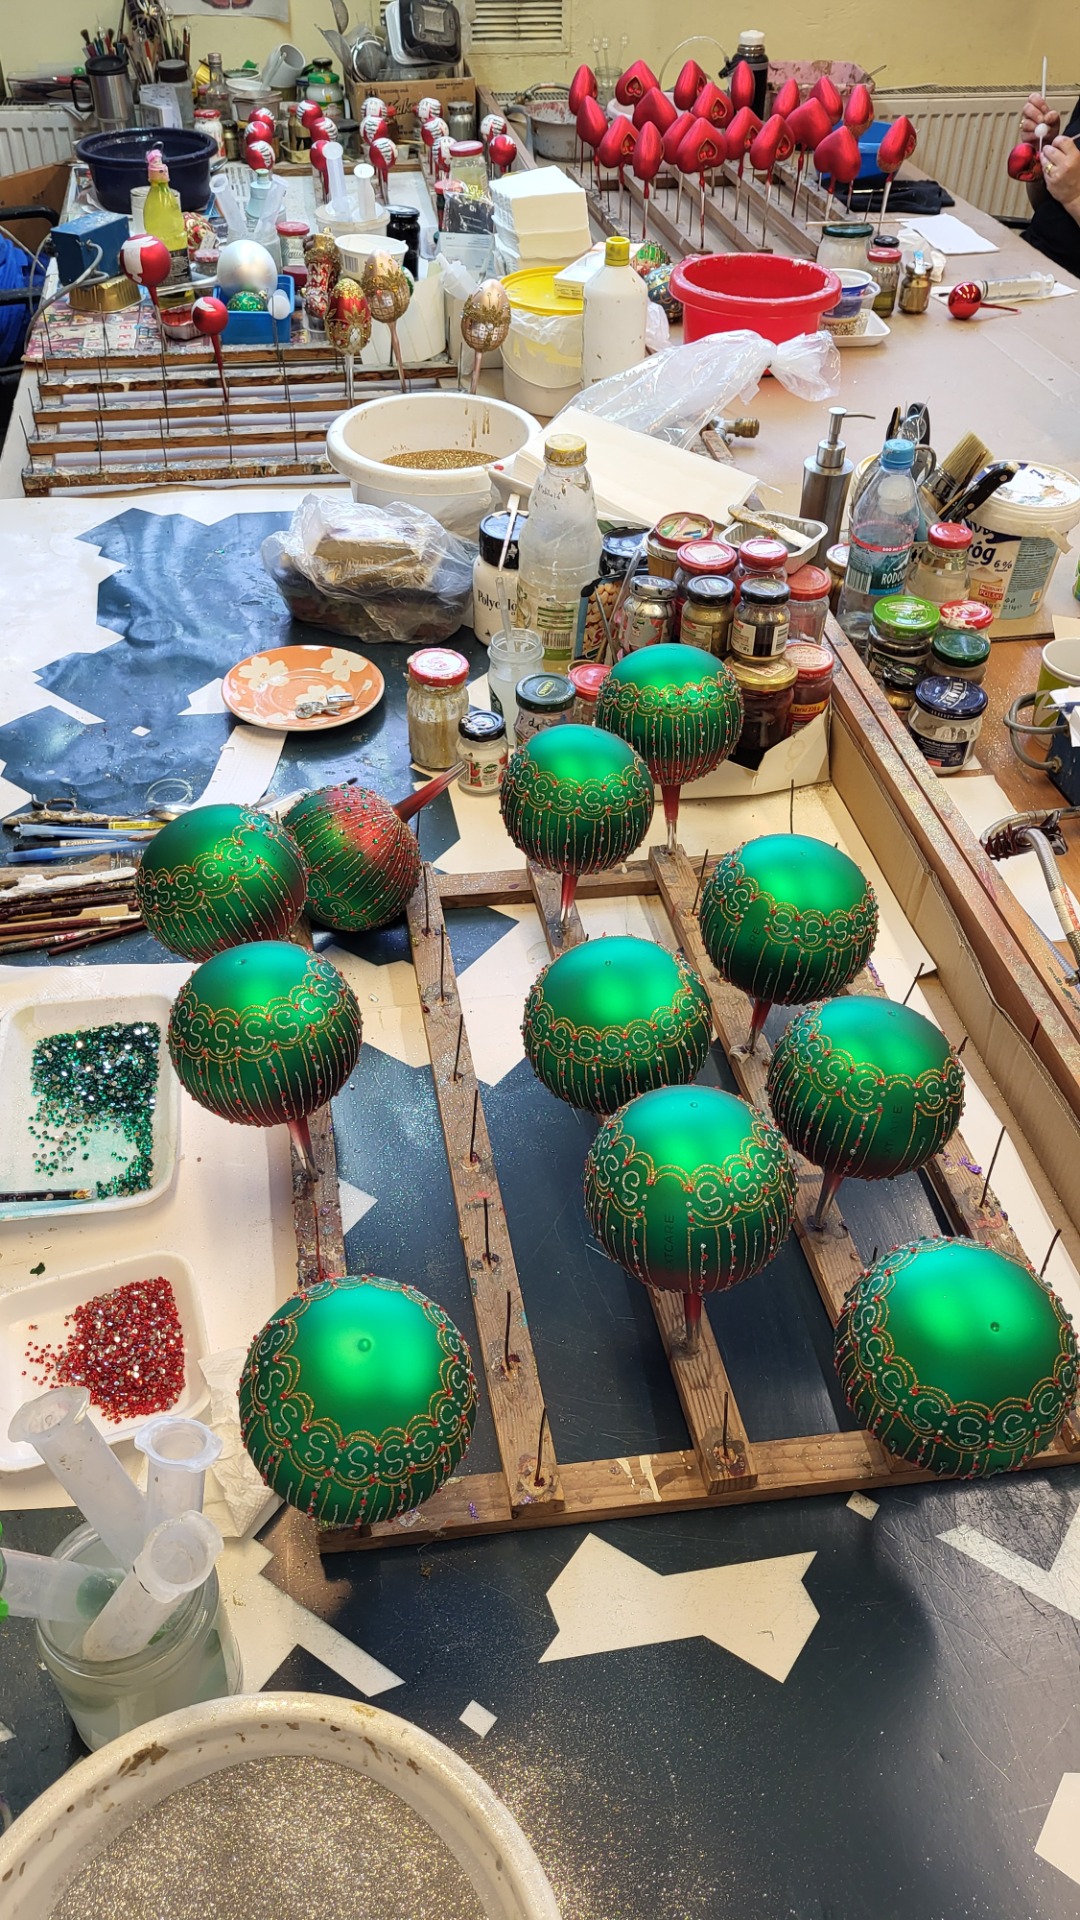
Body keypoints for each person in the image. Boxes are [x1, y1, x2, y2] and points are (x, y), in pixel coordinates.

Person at [1019, 93, 1080, 276]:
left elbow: (1069, 195)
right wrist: (1042, 158)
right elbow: (1042, 204)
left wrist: (1075, 197)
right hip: (1032, 260)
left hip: (1068, 281)